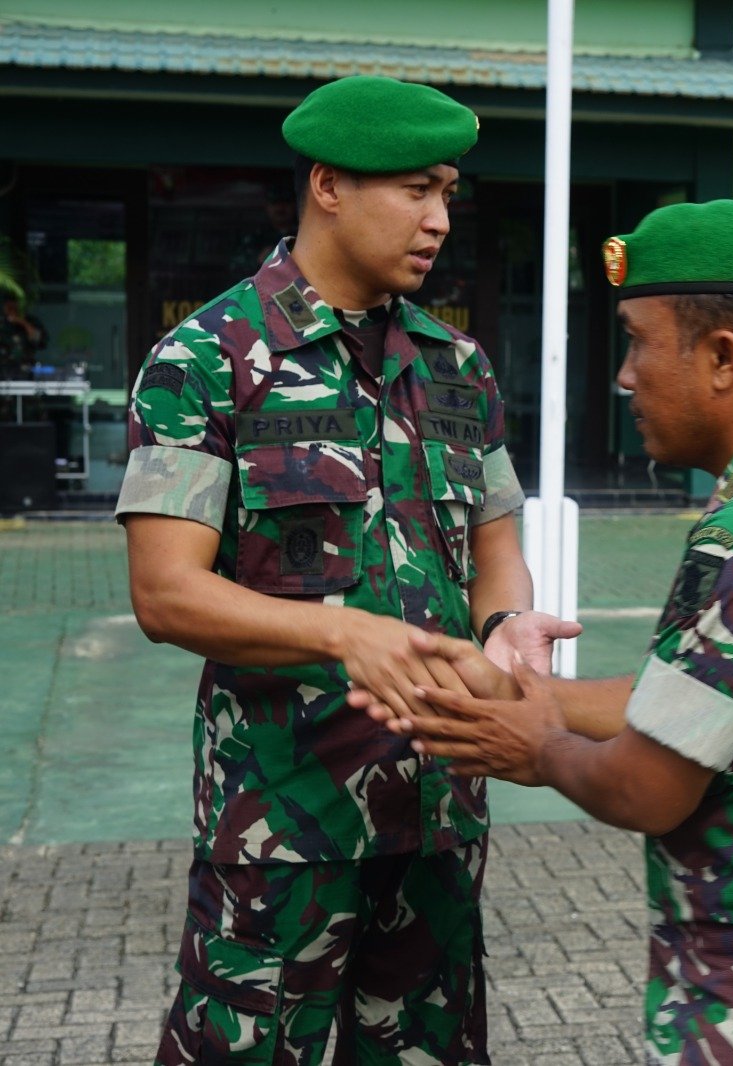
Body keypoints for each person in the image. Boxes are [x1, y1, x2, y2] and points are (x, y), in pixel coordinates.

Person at [355, 199, 733, 1063]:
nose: (625, 375)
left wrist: (533, 743)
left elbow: (646, 787)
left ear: (721, 357)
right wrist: (528, 690)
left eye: (637, 340)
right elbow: (710, 705)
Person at [117, 75, 575, 1063]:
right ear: (328, 185)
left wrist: (506, 627)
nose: (439, 219)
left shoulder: (460, 367)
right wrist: (339, 630)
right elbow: (164, 590)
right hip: (285, 821)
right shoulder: (206, 359)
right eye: (415, 189)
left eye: (448, 192)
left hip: (443, 811)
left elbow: (497, 555)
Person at [0, 296, 48, 379]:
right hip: (3, 369)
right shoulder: (2, 323)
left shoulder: (30, 321)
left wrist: (22, 322)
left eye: (14, 306)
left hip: (25, 369)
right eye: (8, 306)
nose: (11, 309)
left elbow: (39, 340)